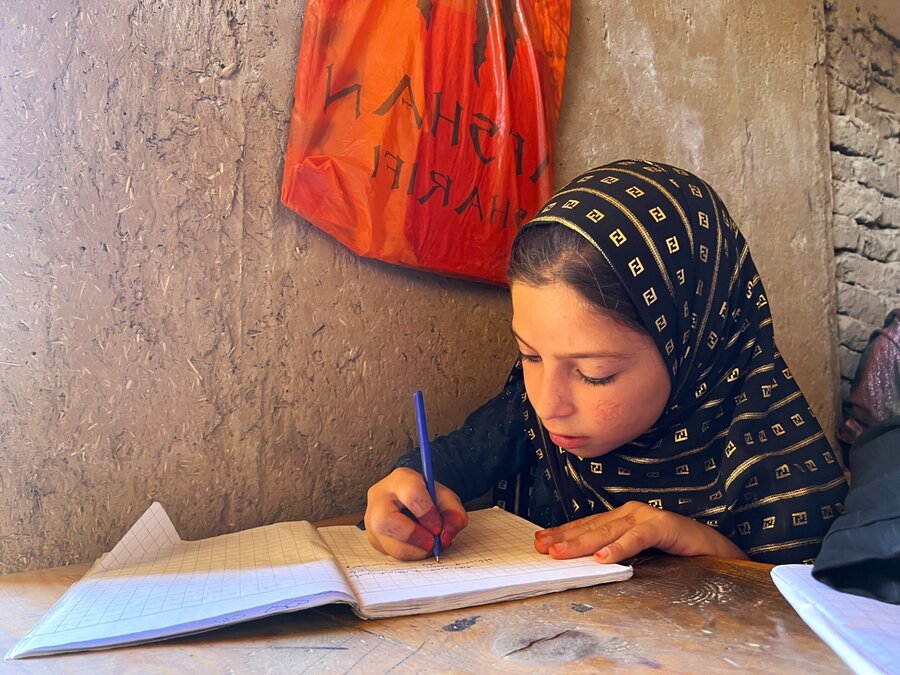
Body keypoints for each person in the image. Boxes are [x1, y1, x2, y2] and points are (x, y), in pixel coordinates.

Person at [365, 159, 849, 566]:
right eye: (529, 355)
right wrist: (406, 492)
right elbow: (451, 462)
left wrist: (708, 549)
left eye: (595, 373)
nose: (547, 404)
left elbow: (814, 629)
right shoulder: (527, 418)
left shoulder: (785, 479)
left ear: (694, 348)